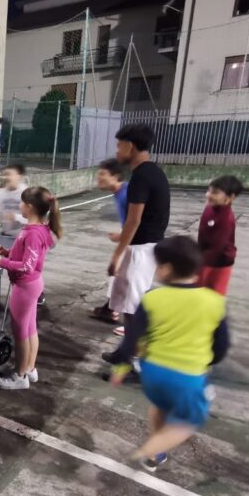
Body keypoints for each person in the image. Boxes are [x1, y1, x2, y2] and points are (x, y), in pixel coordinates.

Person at [106, 235, 229, 473]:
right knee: (191, 420)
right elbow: (221, 347)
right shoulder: (214, 302)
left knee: (159, 405)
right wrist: (207, 364)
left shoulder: (152, 298)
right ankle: (150, 450)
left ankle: (156, 455)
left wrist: (121, 368)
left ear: (167, 269)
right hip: (187, 376)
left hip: (152, 374)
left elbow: (132, 339)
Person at [102, 124, 171, 380]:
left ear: (130, 146)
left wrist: (116, 255)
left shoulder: (142, 176)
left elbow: (133, 221)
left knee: (133, 309)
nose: (117, 151)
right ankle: (125, 351)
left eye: (119, 145)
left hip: (141, 250)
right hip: (143, 247)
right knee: (127, 305)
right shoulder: (153, 172)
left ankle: (137, 365)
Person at [0, 186, 63, 390]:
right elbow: (26, 256)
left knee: (20, 334)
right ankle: (29, 368)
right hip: (31, 285)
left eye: (22, 202)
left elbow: (27, 266)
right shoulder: (38, 228)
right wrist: (7, 252)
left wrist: (1, 261)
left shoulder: (33, 233)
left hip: (25, 288)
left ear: (29, 207)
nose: (19, 205)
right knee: (30, 330)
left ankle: (19, 376)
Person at [91, 158, 128, 329]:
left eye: (102, 174)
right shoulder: (119, 192)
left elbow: (137, 223)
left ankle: (132, 324)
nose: (98, 178)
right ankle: (111, 308)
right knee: (117, 277)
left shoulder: (127, 193)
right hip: (130, 238)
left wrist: (121, 238)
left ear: (115, 176)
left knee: (128, 279)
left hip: (139, 242)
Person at [198, 175, 243, 295]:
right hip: (205, 256)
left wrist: (199, 262)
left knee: (215, 293)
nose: (208, 195)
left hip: (221, 261)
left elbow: (218, 247)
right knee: (199, 290)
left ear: (230, 197)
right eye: (209, 191)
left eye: (215, 193)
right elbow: (202, 234)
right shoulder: (209, 208)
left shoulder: (226, 219)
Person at [0, 164, 27, 237]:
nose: (6, 177)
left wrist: (16, 217)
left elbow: (33, 220)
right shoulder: (0, 194)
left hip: (23, 237)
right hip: (4, 236)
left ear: (19, 177)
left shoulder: (27, 193)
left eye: (9, 174)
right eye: (4, 175)